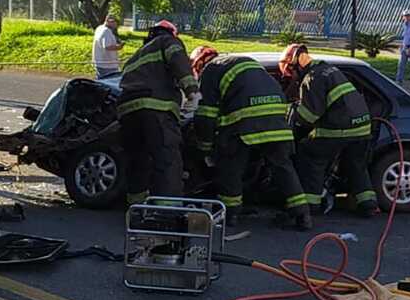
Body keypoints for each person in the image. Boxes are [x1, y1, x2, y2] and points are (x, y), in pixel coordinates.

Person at [191, 47, 311, 229]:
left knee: (230, 167)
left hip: (245, 122)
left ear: (199, 63)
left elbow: (206, 114)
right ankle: (302, 214)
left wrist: (205, 147)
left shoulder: (211, 70)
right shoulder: (243, 61)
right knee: (283, 167)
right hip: (277, 119)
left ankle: (230, 215)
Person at [280, 44, 377, 217]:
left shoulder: (312, 78)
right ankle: (368, 204)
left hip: (337, 130)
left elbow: (308, 116)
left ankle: (311, 206)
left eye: (290, 73)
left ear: (295, 65)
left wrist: (291, 111)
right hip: (361, 129)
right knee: (356, 166)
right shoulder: (331, 70)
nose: (292, 78)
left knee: (311, 158)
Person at [115, 20, 198, 206]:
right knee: (167, 159)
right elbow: (179, 63)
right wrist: (192, 92)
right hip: (156, 107)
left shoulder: (135, 56)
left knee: (137, 160)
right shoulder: (167, 42)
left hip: (127, 112)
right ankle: (167, 210)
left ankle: (135, 206)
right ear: (171, 33)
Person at [92, 14, 123, 78]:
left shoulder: (99, 28)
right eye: (114, 22)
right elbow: (107, 46)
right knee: (109, 82)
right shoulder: (106, 31)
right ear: (109, 22)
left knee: (101, 81)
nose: (116, 24)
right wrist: (119, 47)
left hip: (100, 63)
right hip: (107, 65)